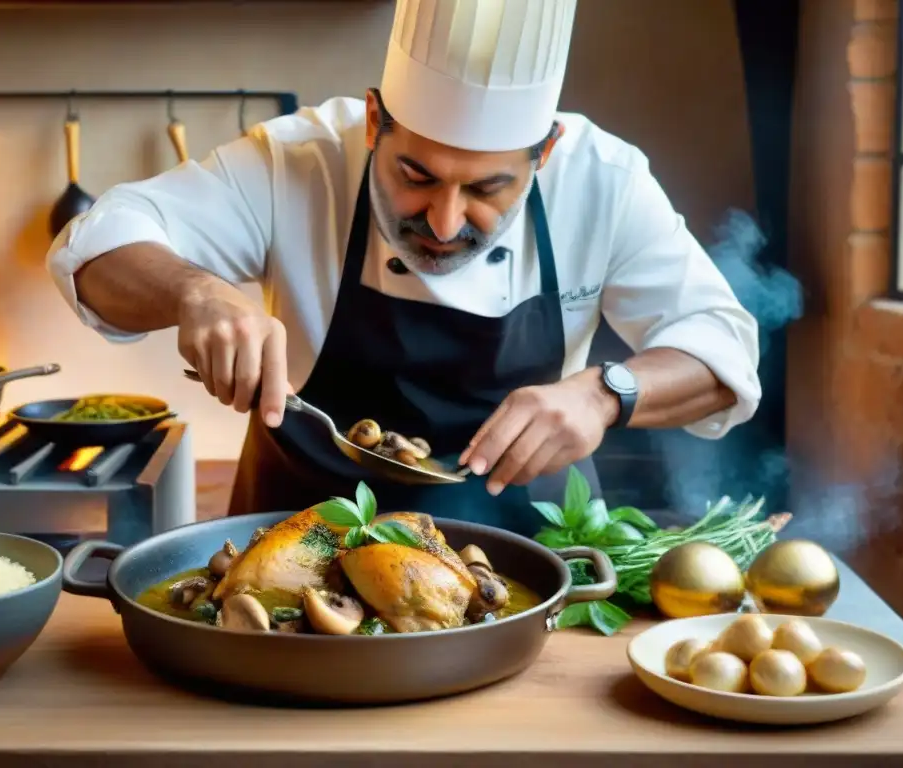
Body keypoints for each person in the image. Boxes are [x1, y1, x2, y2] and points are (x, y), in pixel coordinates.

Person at [45, 0, 760, 536]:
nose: (444, 222)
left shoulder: (603, 180)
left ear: (543, 155)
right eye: (415, 174)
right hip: (293, 550)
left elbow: (724, 344)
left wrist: (605, 394)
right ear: (374, 120)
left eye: (487, 190)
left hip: (525, 567)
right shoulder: (298, 162)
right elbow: (95, 244)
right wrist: (192, 290)